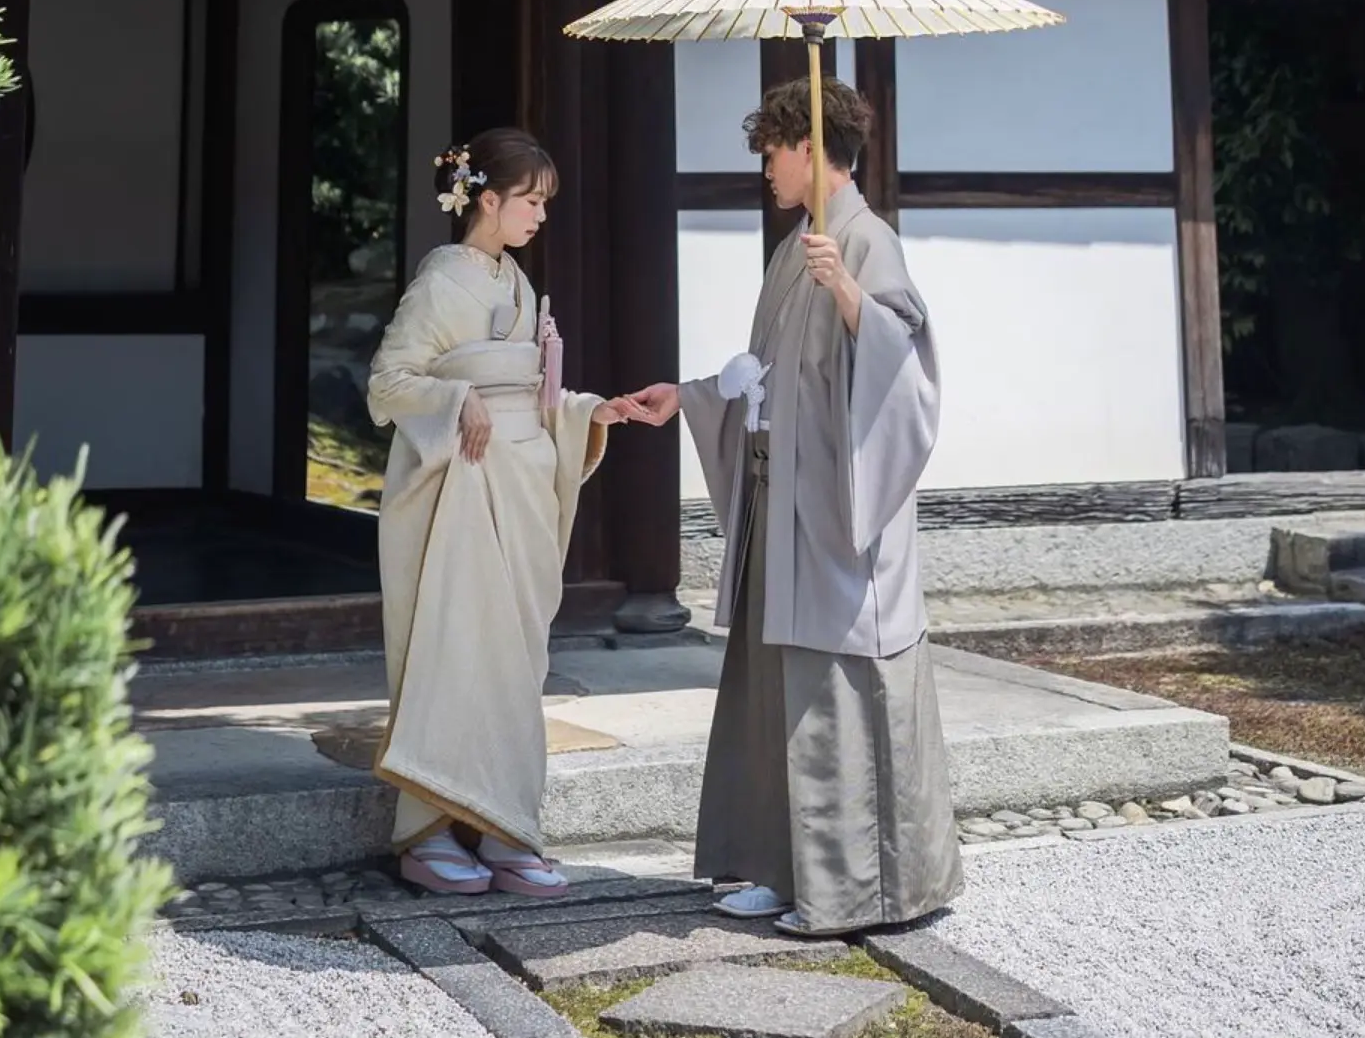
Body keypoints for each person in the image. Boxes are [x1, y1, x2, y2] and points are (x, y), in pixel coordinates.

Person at [620, 76, 962, 936]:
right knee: (773, 686)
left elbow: (907, 372)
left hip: (839, 514)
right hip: (783, 502)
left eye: (771, 151)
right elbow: (768, 382)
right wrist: (696, 395)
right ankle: (780, 867)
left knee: (835, 689)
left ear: (808, 147)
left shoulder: (864, 243)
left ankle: (856, 889)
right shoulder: (793, 248)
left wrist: (848, 293)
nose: (765, 170)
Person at [366, 127, 628, 899]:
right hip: (460, 493)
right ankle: (430, 828)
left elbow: (536, 398)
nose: (541, 215)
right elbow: (388, 382)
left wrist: (590, 410)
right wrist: (455, 397)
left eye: (544, 202)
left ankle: (509, 823)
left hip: (519, 488)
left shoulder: (515, 283)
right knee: (455, 649)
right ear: (488, 199)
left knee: (513, 665)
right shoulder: (442, 282)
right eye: (530, 200)